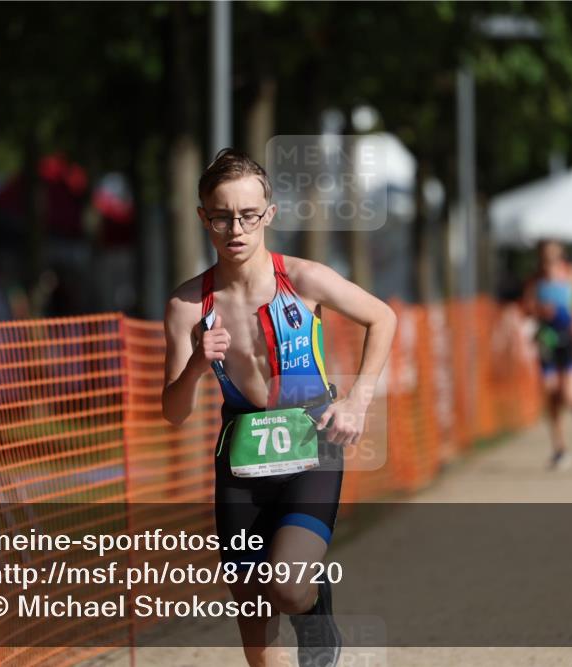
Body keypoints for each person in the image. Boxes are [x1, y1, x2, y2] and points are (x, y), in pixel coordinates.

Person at [162, 149, 397, 667]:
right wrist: (197, 366)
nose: (235, 229)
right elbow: (174, 412)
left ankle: (315, 614)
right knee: (253, 618)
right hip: (241, 463)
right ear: (203, 217)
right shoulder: (186, 307)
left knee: (288, 587)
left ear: (269, 214)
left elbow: (382, 318)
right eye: (222, 216)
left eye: (248, 215)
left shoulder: (304, 278)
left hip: (311, 448)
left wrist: (357, 400)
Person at [523, 240, 572, 470]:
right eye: (544, 258)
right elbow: (527, 306)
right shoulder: (536, 282)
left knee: (567, 395)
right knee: (550, 390)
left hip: (569, 339)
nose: (548, 263)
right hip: (547, 341)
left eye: (553, 258)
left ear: (560, 257)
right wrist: (538, 311)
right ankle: (559, 447)